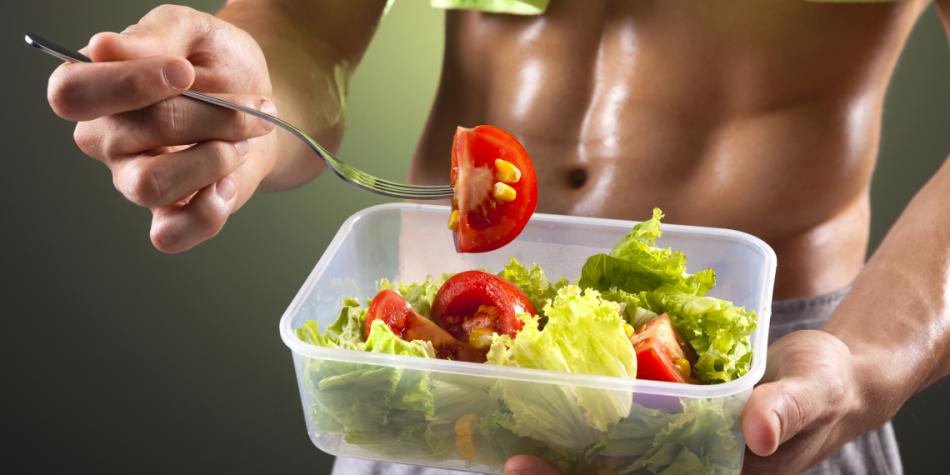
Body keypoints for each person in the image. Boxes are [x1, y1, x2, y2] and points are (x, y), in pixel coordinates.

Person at [44, 0, 950, 474]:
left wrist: (865, 362)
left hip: (758, 400)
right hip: (439, 378)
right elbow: (304, 25)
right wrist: (245, 92)